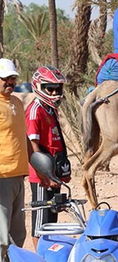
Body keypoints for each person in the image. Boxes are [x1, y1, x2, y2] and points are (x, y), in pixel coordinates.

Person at [0, 59, 49, 262]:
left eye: (12, 79)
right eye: (5, 79)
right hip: (1, 176)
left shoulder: (18, 103)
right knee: (1, 234)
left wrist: (37, 167)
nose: (10, 83)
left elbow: (24, 140)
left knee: (17, 234)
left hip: (18, 175)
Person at [26, 66, 70, 247]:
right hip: (42, 176)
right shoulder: (35, 110)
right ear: (39, 87)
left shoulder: (51, 110)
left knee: (52, 220)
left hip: (53, 172)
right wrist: (44, 174)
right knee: (41, 223)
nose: (54, 93)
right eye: (49, 88)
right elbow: (33, 145)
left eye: (57, 89)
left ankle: (49, 258)